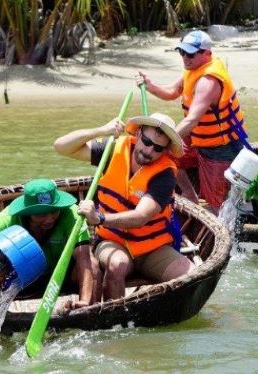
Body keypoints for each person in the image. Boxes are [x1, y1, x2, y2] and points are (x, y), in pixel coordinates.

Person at [53, 112, 195, 301]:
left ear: (165, 150)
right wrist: (101, 130)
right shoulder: (113, 150)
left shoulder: (166, 174)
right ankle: (114, 318)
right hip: (112, 240)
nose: (149, 151)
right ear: (138, 134)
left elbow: (141, 216)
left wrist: (100, 219)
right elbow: (61, 146)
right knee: (117, 264)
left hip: (152, 248)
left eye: (158, 148)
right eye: (146, 141)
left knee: (192, 275)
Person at [136, 30, 248, 213]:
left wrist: (163, 140)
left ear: (207, 54)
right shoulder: (192, 69)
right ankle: (189, 194)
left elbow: (192, 119)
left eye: (190, 54)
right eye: (182, 52)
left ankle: (216, 232)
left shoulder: (208, 81)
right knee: (168, 155)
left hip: (220, 146)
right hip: (197, 138)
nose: (185, 58)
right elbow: (172, 91)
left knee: (216, 204)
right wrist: (150, 86)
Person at [0, 178, 95, 310]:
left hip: (59, 276)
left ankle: (90, 312)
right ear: (28, 212)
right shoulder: (8, 218)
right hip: (19, 278)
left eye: (54, 211)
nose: (49, 219)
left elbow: (84, 259)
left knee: (93, 265)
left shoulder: (73, 215)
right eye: (41, 214)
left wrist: (84, 301)